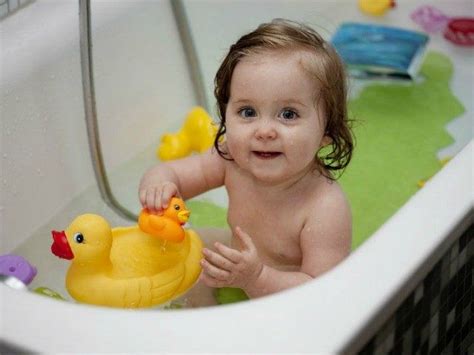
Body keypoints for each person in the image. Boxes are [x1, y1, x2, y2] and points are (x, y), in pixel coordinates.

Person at [139, 19, 354, 305]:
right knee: (182, 250)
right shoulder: (231, 160)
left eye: (288, 114)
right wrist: (159, 187)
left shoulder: (325, 206)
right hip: (240, 258)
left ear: (326, 133)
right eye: (248, 111)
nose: (264, 131)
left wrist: (258, 278)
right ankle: (200, 314)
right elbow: (170, 173)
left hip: (288, 291)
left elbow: (322, 289)